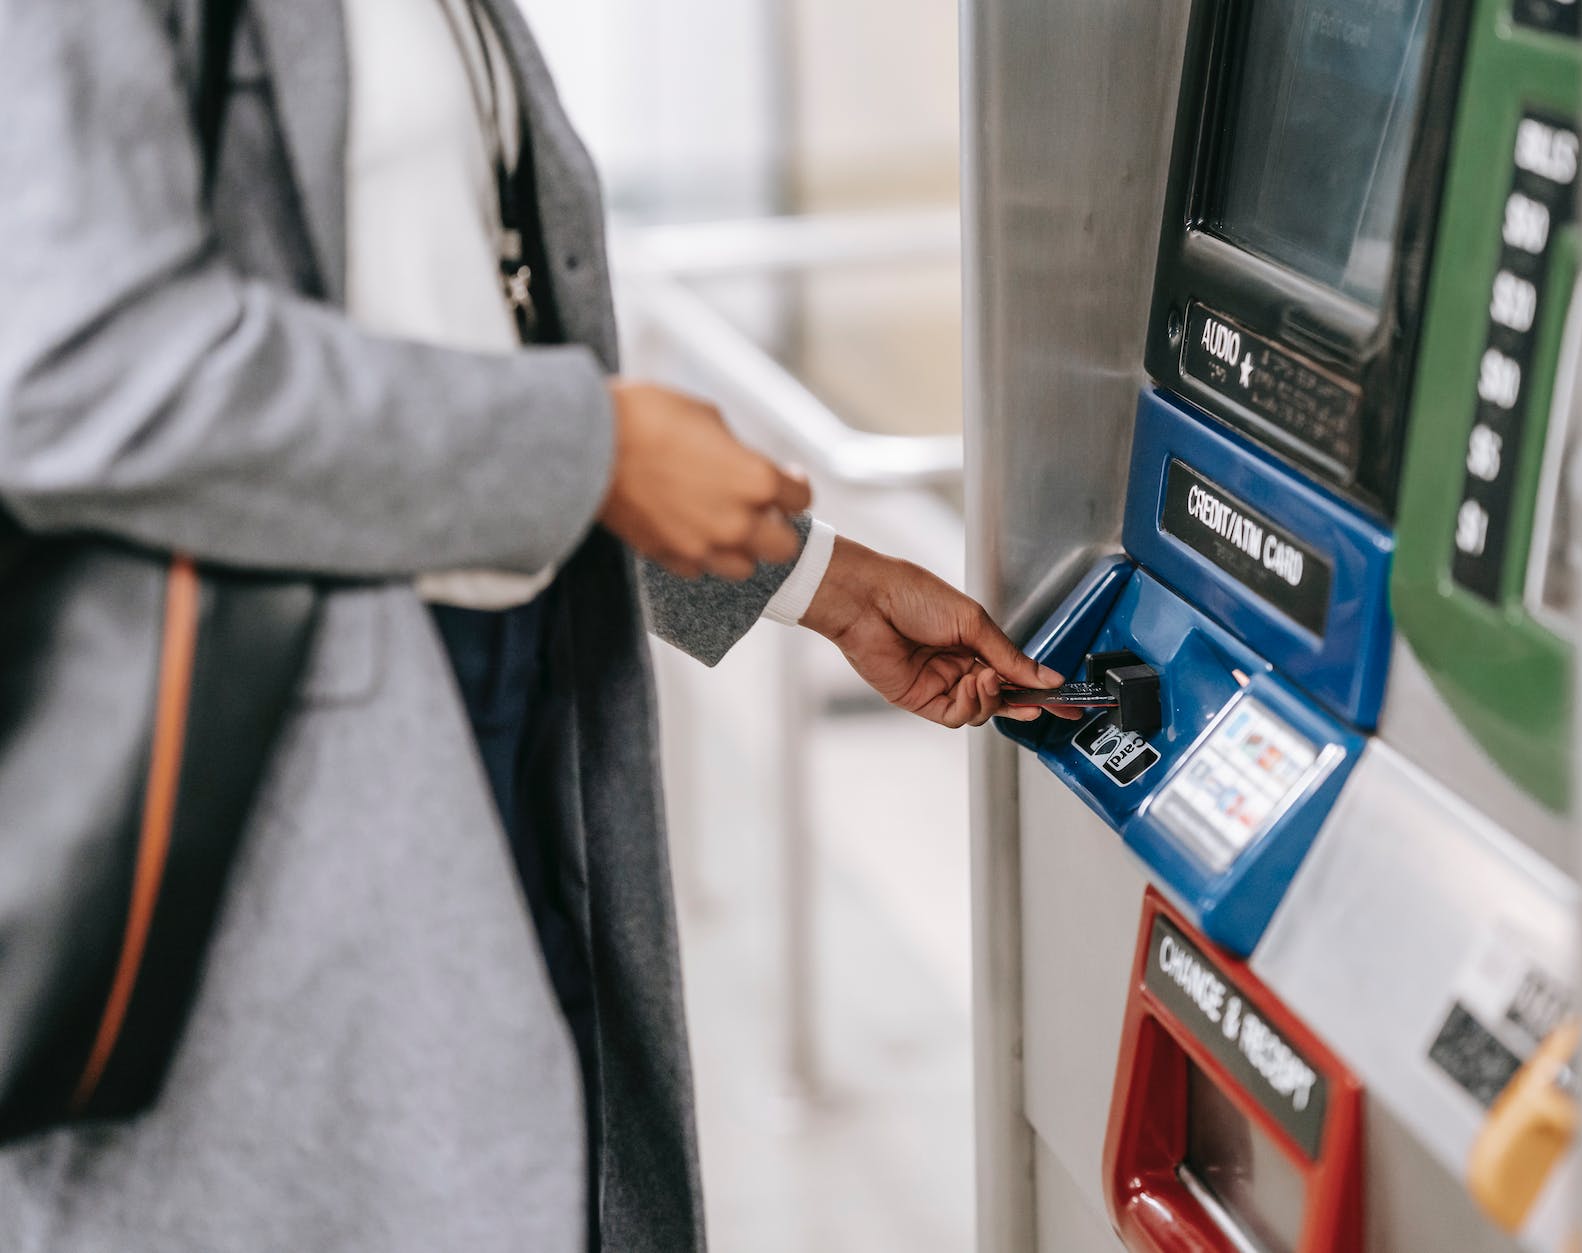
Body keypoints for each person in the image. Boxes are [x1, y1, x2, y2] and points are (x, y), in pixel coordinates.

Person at [0, 1, 1061, 1250]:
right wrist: (596, 449)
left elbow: (451, 326)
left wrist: (810, 580)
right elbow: (72, 371)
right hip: (267, 784)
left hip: (503, 707)